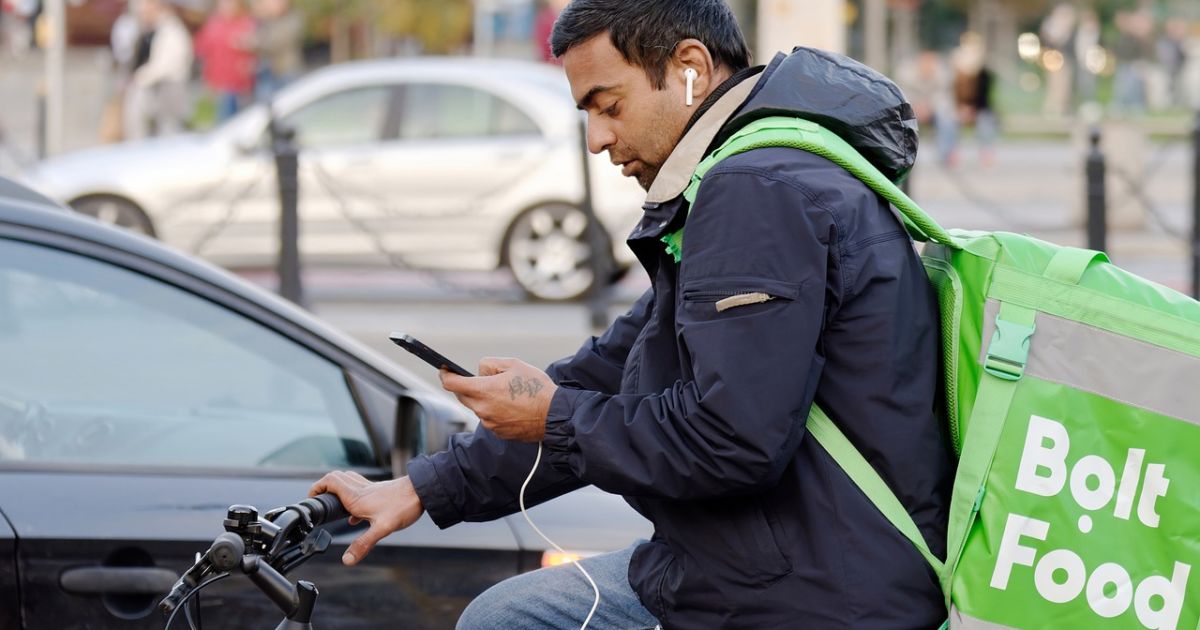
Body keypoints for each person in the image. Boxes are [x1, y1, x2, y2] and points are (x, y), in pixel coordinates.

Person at [312, 0, 951, 627]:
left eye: (609, 106)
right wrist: (424, 488)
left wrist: (552, 417)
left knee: (507, 620)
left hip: (809, 595)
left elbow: (730, 441)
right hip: (755, 564)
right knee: (510, 613)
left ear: (690, 68)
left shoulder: (757, 191)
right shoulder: (748, 175)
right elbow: (619, 367)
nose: (597, 140)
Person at [123, 0, 194, 141]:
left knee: (169, 131)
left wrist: (140, 77)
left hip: (169, 88)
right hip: (159, 88)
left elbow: (164, 66)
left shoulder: (171, 32)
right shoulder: (153, 30)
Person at [194, 0, 256, 122]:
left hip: (240, 82)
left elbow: (256, 51)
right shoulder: (213, 24)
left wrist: (248, 44)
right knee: (224, 120)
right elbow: (201, 49)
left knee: (242, 120)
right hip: (219, 82)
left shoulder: (246, 22)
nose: (226, 6)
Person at [249, 0, 302, 103]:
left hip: (287, 71)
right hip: (268, 73)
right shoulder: (265, 21)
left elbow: (275, 41)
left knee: (289, 104)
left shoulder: (292, 19)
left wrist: (256, 41)